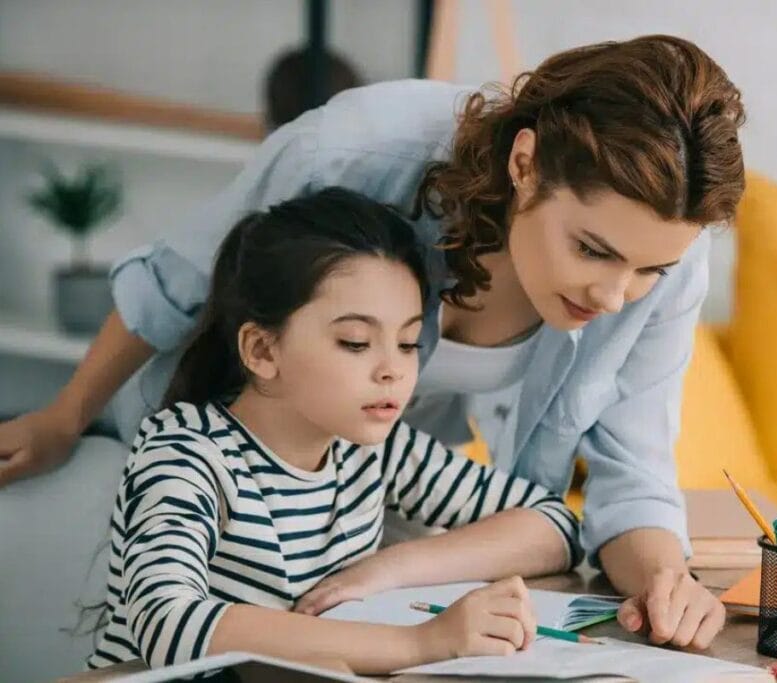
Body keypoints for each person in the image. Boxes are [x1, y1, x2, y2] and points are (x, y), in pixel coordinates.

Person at [0, 34, 746, 650]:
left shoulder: (376, 444)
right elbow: (177, 284)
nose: (615, 297)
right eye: (592, 250)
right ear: (525, 165)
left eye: (650, 269)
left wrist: (663, 579)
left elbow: (614, 478)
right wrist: (64, 416)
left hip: (349, 505)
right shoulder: (356, 152)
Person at [87, 188, 582, 674]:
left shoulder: (374, 448)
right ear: (262, 351)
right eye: (355, 342)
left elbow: (554, 523)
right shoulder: (187, 449)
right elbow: (169, 625)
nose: (394, 370)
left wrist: (388, 569)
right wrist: (422, 642)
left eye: (409, 342)